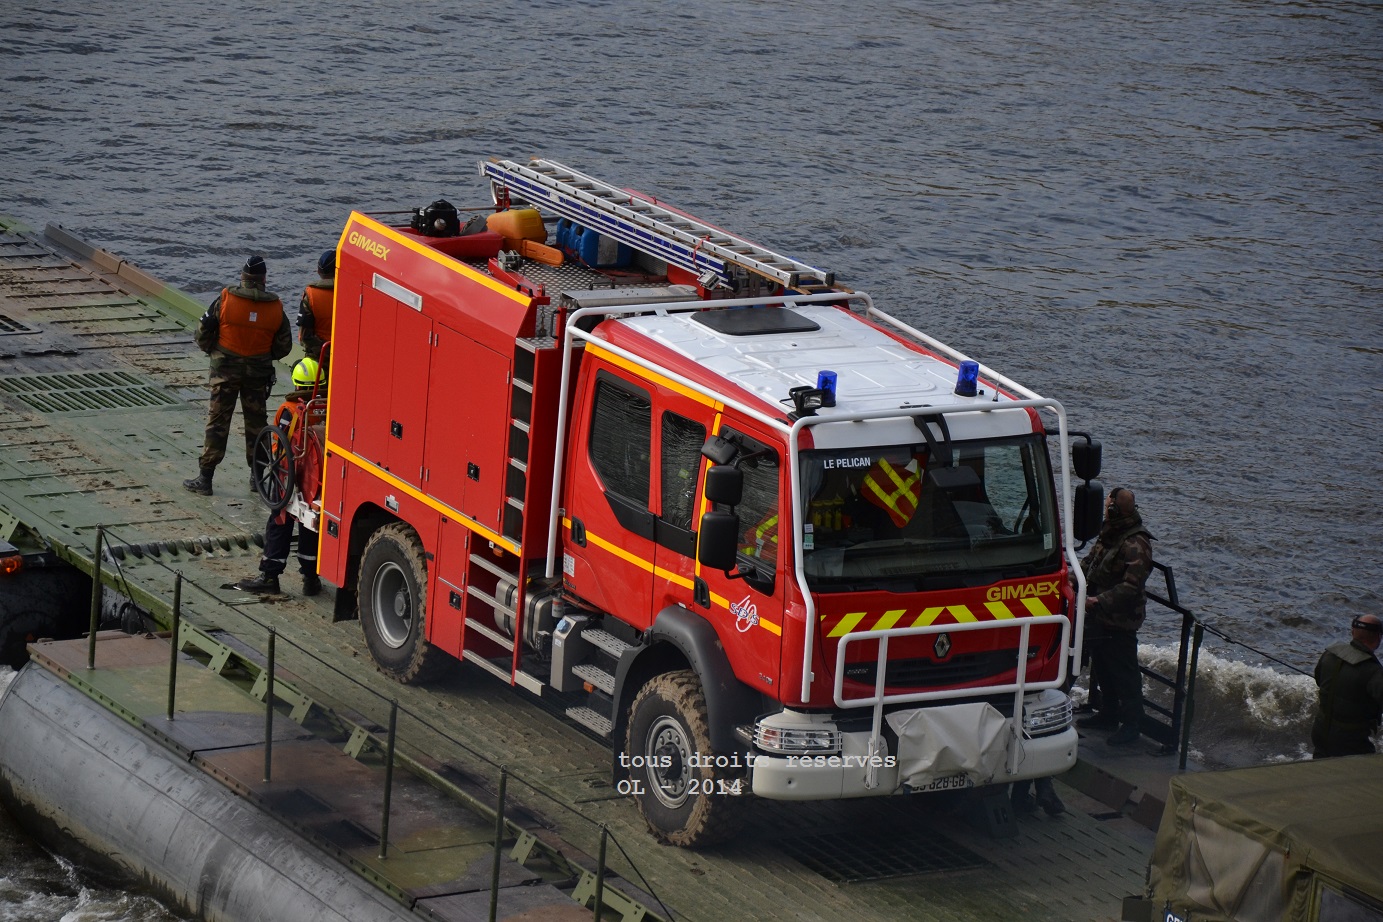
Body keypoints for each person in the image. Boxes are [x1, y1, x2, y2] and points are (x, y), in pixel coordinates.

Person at [183, 255, 292, 496]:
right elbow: (284, 346)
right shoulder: (276, 308)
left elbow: (202, 333)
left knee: (218, 422)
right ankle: (257, 477)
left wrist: (215, 350)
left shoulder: (224, 300)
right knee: (256, 424)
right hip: (258, 374)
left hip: (225, 372)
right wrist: (262, 355)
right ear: (264, 279)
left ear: (243, 277)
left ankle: (206, 478)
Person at [232, 358, 326, 596]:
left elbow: (281, 443)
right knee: (310, 525)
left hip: (289, 474)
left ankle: (270, 575)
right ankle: (311, 578)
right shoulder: (330, 406)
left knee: (280, 521)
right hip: (316, 477)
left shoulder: (289, 410)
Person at [1076, 487, 1154, 746]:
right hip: (1098, 614)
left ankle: (1132, 724)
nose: (1104, 510)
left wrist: (1099, 600)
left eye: (1107, 506)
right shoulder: (1110, 534)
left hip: (1120, 618)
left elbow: (1131, 586)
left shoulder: (1136, 543)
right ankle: (1108, 713)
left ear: (1114, 510)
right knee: (1101, 664)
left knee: (1124, 672)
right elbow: (1090, 563)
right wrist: (1070, 577)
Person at [1311, 615, 1383, 758]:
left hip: (1320, 731)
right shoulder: (1373, 671)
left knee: (1321, 765)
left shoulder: (1329, 654)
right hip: (1350, 741)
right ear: (1378, 639)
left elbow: (1319, 680)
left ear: (1352, 632)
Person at [297, 249, 336, 367]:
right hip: (345, 356)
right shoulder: (352, 292)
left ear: (319, 271)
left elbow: (305, 336)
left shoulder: (311, 294)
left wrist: (324, 352)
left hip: (318, 359)